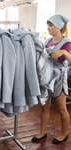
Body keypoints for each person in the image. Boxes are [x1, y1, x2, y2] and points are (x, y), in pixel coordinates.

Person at [32, 14, 71, 144]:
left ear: (58, 26)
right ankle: (42, 132)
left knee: (61, 108)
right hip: (47, 76)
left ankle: (64, 134)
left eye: (50, 25)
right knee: (44, 106)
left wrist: (64, 53)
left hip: (59, 79)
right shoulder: (48, 41)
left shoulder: (67, 43)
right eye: (48, 25)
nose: (47, 28)